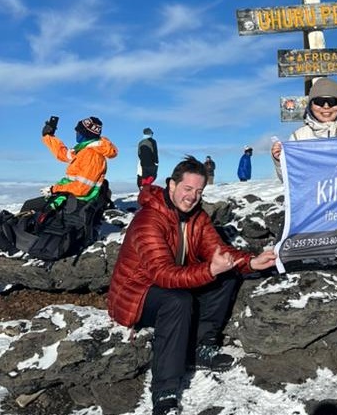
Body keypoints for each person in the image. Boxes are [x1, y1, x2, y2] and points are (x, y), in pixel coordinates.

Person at [107, 156, 278, 415]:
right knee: (178, 300)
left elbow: (218, 251)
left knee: (228, 275)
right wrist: (209, 270)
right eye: (188, 189)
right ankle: (165, 390)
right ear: (171, 186)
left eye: (199, 191)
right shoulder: (148, 221)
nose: (192, 197)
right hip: (137, 295)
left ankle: (201, 346)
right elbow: (164, 275)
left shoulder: (197, 217)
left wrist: (252, 263)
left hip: (173, 283)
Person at [271, 77, 337, 179]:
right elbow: (290, 179)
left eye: (332, 101)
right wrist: (279, 160)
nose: (326, 106)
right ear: (311, 105)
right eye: (319, 101)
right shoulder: (298, 137)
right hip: (313, 194)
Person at [39, 115, 118, 203]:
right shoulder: (83, 150)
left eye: (78, 130)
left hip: (78, 202)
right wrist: (48, 136)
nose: (76, 132)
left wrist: (54, 189)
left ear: (85, 134)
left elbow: (81, 188)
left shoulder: (92, 155)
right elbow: (63, 154)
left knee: (33, 210)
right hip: (70, 196)